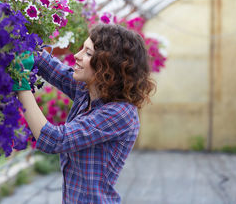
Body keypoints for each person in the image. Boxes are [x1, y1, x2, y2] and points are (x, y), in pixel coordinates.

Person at [14, 23, 156, 203]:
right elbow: (51, 67)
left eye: (88, 53)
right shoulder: (90, 91)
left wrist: (22, 86)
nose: (76, 56)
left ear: (108, 66)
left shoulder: (119, 113)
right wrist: (15, 31)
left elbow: (54, 140)